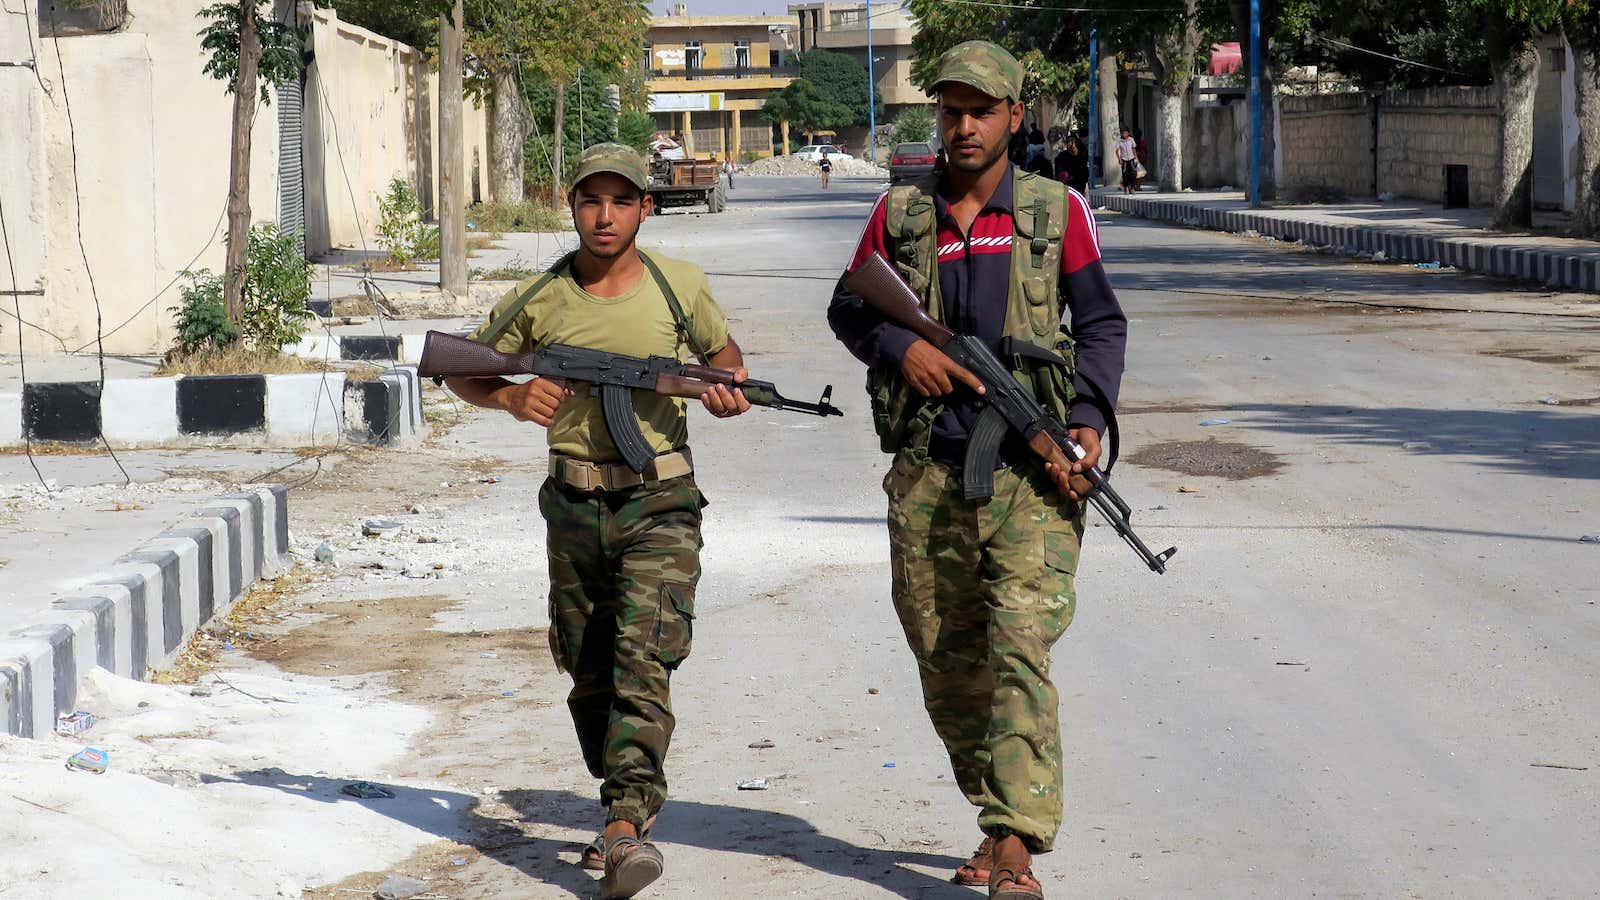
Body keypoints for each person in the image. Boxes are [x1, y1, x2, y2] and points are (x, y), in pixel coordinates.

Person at [827, 40, 1127, 900]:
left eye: (980, 110)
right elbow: (849, 306)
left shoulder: (1055, 211)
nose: (963, 126)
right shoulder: (900, 215)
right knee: (945, 656)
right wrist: (900, 348)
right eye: (950, 110)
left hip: (1029, 480)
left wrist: (1086, 422)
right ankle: (994, 815)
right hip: (929, 470)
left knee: (1020, 648)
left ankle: (1017, 843)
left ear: (1013, 118)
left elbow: (1102, 326)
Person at [443, 143, 751, 900]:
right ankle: (622, 794)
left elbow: (724, 352)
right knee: (588, 670)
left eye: (621, 200)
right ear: (572, 207)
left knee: (643, 659)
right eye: (590, 200)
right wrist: (511, 397)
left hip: (661, 500)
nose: (604, 215)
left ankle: (624, 825)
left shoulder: (679, 289)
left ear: (647, 207)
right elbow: (460, 366)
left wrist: (727, 384)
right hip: (574, 503)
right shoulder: (543, 296)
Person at [1115, 128, 1139, 194]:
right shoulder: (1120, 141)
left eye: (1126, 133)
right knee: (1125, 174)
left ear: (1128, 133)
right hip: (1124, 160)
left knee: (1133, 173)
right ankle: (1126, 188)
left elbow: (1133, 149)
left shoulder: (1131, 140)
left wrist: (1136, 158)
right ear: (1122, 134)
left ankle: (1132, 188)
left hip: (1131, 158)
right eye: (1123, 133)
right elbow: (1117, 151)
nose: (1125, 134)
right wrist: (1119, 159)